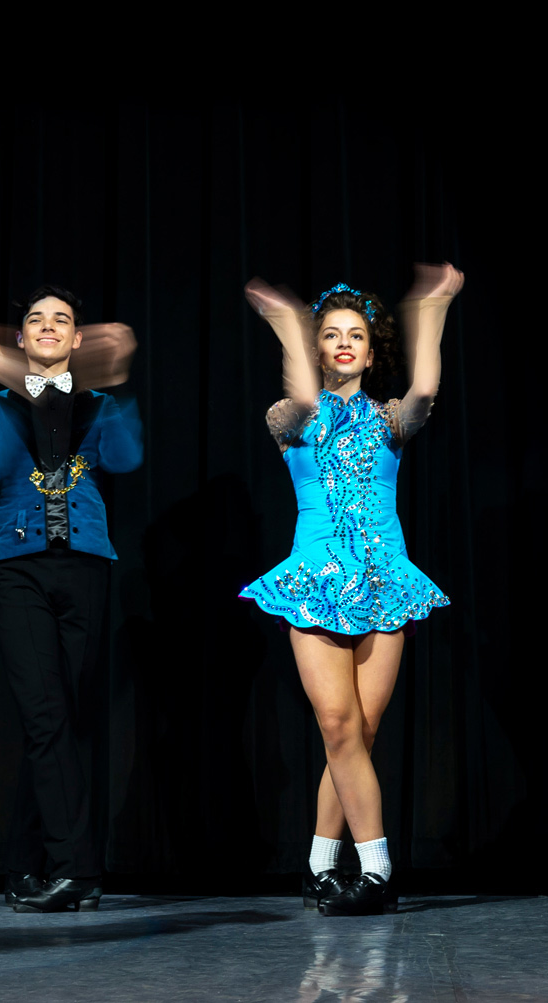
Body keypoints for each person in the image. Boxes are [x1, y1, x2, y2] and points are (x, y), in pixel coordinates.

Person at [240, 267, 461, 915]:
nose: (342, 343)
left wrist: (434, 305)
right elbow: (306, 403)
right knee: (336, 723)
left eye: (354, 335)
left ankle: (317, 863)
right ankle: (377, 870)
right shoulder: (288, 416)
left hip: (384, 580)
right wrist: (287, 326)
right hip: (314, 580)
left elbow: (424, 387)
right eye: (330, 334)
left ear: (370, 351)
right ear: (315, 349)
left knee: (359, 731)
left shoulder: (390, 420)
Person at [0, 286, 142, 912]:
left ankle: (25, 865)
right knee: (44, 716)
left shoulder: (98, 406)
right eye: (35, 320)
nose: (46, 326)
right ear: (22, 339)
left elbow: (125, 459)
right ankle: (79, 870)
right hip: (21, 571)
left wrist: (110, 385)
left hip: (87, 568)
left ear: (76, 339)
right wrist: (17, 393)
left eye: (61, 319)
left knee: (62, 722)